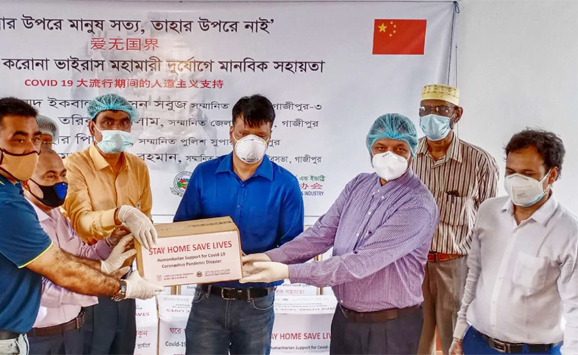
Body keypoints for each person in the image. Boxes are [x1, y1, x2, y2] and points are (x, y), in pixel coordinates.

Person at [0, 97, 162, 355]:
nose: (32, 151)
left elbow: (71, 255)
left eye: (36, 139)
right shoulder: (3, 206)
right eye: (19, 140)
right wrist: (122, 287)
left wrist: (107, 253)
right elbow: (61, 270)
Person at [242, 113, 439, 355]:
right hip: (346, 320)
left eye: (400, 148)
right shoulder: (359, 185)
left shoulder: (417, 205)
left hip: (390, 328)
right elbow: (321, 233)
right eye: (381, 147)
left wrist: (287, 272)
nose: (390, 155)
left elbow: (359, 263)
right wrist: (271, 257)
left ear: (412, 153)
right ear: (370, 150)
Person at [174, 94, 304, 355]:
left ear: (270, 136)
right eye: (244, 133)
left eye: (260, 135)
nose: (251, 141)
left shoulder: (286, 184)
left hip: (256, 302)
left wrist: (262, 261)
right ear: (231, 131)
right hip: (208, 299)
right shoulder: (204, 174)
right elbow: (181, 231)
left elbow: (295, 247)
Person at [449, 129, 576, 355]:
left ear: (552, 175)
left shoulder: (568, 232)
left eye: (527, 174)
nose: (517, 181)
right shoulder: (489, 212)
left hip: (534, 351)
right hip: (477, 343)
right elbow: (474, 275)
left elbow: (575, 308)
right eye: (510, 172)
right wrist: (459, 334)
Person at [63, 93, 158, 355]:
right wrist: (119, 214)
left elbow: (145, 220)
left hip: (127, 284)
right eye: (107, 122)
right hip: (89, 280)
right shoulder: (74, 166)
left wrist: (142, 268)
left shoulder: (139, 167)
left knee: (123, 348)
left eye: (123, 122)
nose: (116, 128)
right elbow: (81, 222)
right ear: (91, 127)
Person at [23, 148, 140, 355]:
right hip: (38, 339)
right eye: (50, 176)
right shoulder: (21, 223)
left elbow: (82, 256)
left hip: (73, 334)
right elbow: (42, 290)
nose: (60, 183)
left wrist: (110, 242)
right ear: (25, 182)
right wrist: (110, 287)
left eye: (62, 175)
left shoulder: (58, 217)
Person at [414, 84, 499, 355]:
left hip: (456, 264)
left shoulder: (479, 162)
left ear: (457, 114)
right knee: (416, 338)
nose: (431, 116)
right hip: (413, 264)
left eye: (441, 110)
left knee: (455, 339)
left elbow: (489, 220)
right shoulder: (408, 157)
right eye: (425, 110)